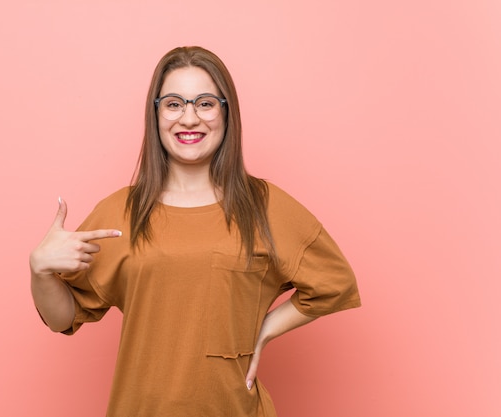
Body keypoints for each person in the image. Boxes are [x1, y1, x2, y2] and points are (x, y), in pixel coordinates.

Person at [30, 46, 361, 416]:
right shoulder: (121, 212)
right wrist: (39, 271)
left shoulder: (264, 206)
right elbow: (63, 317)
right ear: (156, 114)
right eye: (173, 104)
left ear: (225, 112)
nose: (189, 118)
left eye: (204, 103)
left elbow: (335, 284)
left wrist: (265, 329)